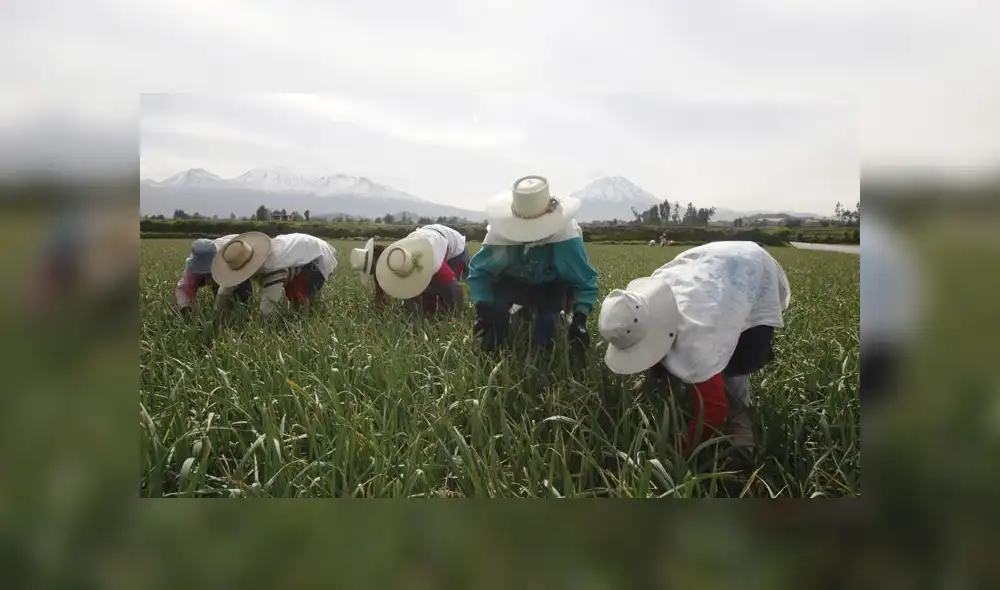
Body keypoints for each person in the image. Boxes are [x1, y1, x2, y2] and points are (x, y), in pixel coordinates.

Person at [598, 241, 791, 464]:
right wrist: (656, 376)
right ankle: (656, 381)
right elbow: (655, 342)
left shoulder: (697, 337)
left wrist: (677, 452)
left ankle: (742, 426)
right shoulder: (648, 299)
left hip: (753, 271)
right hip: (715, 264)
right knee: (682, 356)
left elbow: (714, 409)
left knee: (735, 366)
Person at [468, 175, 598, 354]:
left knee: (545, 334)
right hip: (512, 284)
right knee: (493, 329)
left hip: (550, 287)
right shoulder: (499, 236)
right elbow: (480, 273)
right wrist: (483, 309)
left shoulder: (565, 239)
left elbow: (584, 280)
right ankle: (492, 346)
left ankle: (543, 355)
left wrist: (580, 319)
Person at [211, 232, 338, 317]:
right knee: (291, 293)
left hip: (315, 256)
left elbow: (268, 305)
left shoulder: (273, 268)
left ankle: (301, 326)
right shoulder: (243, 256)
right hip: (298, 248)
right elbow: (225, 290)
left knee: (298, 296)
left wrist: (260, 327)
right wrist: (218, 312)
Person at [372, 224, 469, 314]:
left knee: (447, 300)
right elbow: (411, 294)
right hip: (428, 237)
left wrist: (457, 314)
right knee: (427, 304)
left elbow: (455, 289)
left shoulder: (433, 263)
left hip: (456, 249)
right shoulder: (399, 259)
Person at [174, 235, 252, 315]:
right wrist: (186, 306)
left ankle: (245, 311)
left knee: (242, 293)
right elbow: (185, 287)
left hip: (237, 254)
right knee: (220, 301)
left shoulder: (231, 255)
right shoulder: (195, 265)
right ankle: (222, 313)